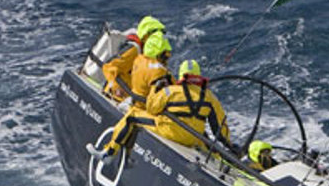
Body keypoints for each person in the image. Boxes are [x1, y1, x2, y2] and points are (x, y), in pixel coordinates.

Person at [88, 58, 229, 163]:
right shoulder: (210, 98)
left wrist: (156, 87)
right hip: (193, 138)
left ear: (181, 76)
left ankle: (109, 153)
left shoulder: (170, 91)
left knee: (131, 117)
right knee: (206, 139)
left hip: (170, 131)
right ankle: (225, 160)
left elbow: (152, 107)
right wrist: (229, 144)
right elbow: (220, 129)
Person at [101, 15, 165, 101]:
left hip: (129, 101)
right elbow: (109, 67)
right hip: (113, 98)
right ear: (146, 34)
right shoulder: (134, 50)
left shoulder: (149, 53)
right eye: (155, 33)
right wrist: (117, 89)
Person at [129, 31, 173, 104]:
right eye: (165, 55)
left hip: (135, 103)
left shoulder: (139, 60)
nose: (168, 57)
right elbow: (158, 102)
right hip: (145, 107)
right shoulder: (159, 72)